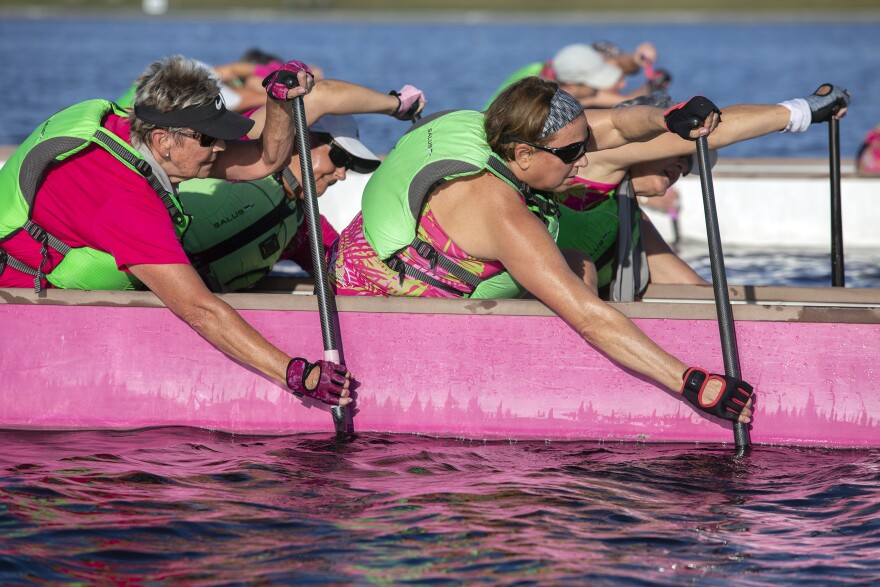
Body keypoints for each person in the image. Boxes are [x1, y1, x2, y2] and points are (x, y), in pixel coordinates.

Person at [331, 76, 754, 428]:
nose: (584, 162)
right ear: (524, 154)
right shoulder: (502, 214)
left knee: (576, 261)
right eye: (572, 154)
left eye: (582, 147)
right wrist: (692, 382)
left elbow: (621, 127)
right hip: (381, 317)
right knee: (573, 281)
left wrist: (668, 117)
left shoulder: (487, 126)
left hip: (364, 261)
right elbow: (589, 318)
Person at [0, 55, 351, 409]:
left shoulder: (129, 125)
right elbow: (201, 312)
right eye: (209, 137)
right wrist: (295, 373)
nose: (220, 147)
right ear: (163, 140)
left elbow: (266, 160)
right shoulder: (126, 204)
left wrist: (278, 102)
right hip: (24, 305)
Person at [557, 84, 852, 300]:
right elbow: (707, 131)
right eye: (681, 154)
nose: (682, 167)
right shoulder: (593, 160)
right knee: (575, 262)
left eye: (687, 165)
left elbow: (694, 291)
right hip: (522, 307)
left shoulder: (629, 218)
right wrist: (804, 110)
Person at [177, 79, 425, 291]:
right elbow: (322, 94)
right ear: (303, 137)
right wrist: (396, 104)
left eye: (348, 166)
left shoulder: (304, 229)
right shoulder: (243, 152)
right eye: (339, 158)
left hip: (183, 308)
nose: (342, 175)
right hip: (146, 277)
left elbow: (350, 271)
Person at [484, 43, 662, 111]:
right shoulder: (541, 95)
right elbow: (624, 100)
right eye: (594, 84)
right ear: (572, 85)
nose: (622, 83)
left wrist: (635, 58)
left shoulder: (557, 68)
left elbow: (618, 65)